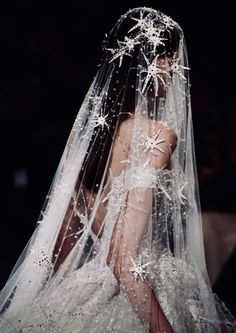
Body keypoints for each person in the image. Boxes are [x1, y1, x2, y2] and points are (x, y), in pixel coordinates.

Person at [0, 7, 235, 332]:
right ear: (157, 62)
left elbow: (60, 242)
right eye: (175, 60)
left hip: (88, 287)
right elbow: (123, 259)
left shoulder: (90, 142)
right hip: (143, 291)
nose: (179, 71)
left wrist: (52, 298)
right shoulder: (157, 136)